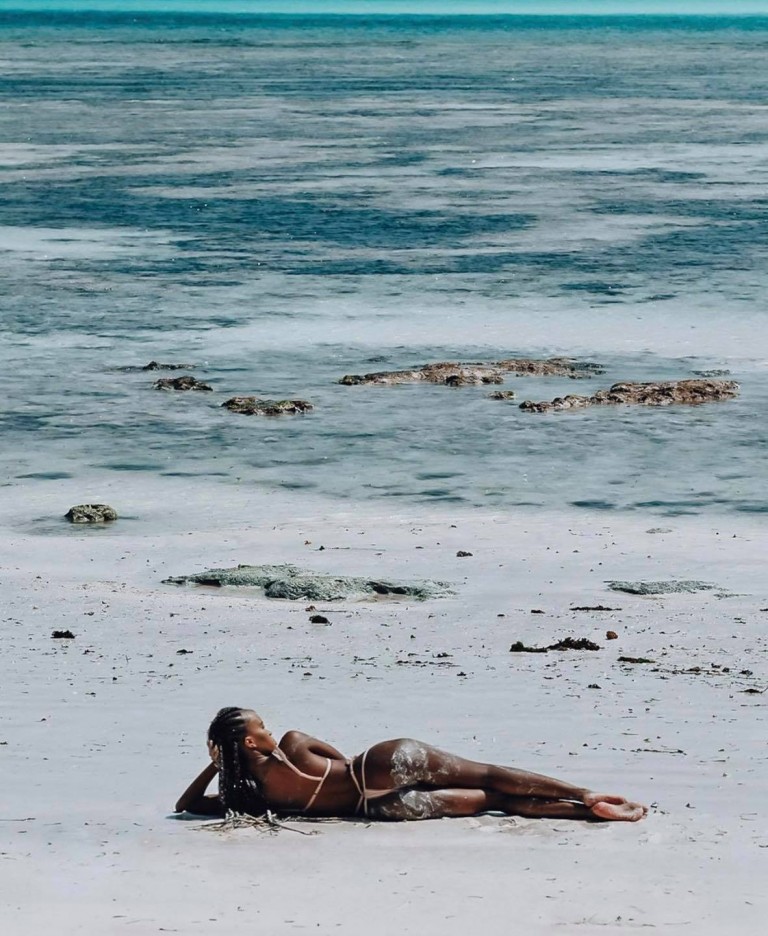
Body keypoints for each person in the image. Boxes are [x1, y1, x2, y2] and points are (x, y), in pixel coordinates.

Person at [174, 706, 648, 823]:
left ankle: (586, 814)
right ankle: (589, 794)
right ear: (254, 740)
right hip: (378, 770)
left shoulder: (249, 796)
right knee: (486, 773)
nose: (273, 730)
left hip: (377, 811)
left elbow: (186, 805)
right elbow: (341, 758)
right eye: (264, 727)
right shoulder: (295, 744)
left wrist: (218, 766)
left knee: (493, 801)